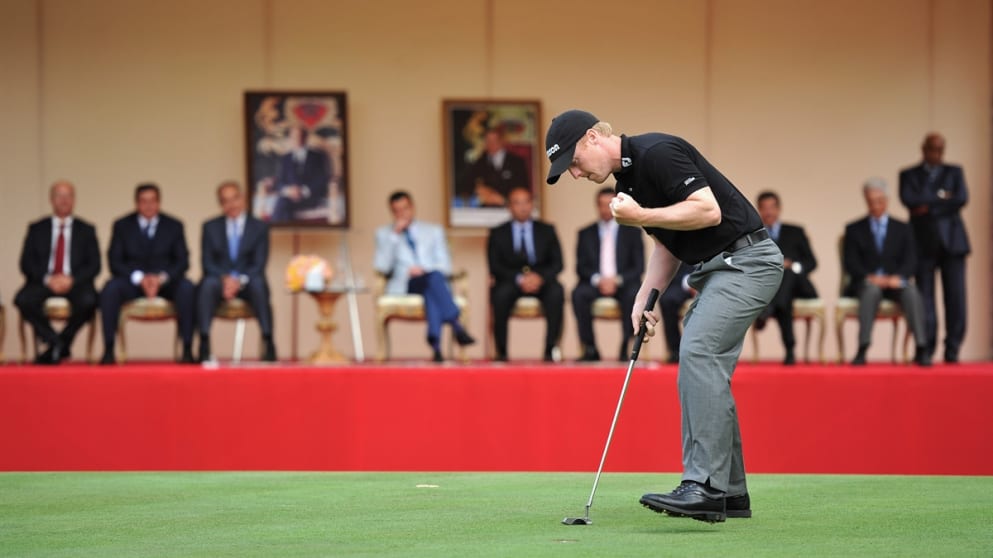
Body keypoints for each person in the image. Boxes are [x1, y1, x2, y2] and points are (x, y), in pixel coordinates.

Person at [545, 109, 783, 523]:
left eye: (574, 163)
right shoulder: (630, 180)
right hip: (719, 270)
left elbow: (706, 211)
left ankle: (705, 486)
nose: (576, 175)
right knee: (702, 362)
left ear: (591, 139)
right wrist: (644, 298)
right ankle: (729, 492)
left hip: (748, 261)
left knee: (698, 352)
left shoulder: (657, 151)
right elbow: (669, 245)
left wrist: (639, 216)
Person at [99, 183, 196, 364]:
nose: (149, 205)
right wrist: (140, 278)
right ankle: (108, 349)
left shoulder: (174, 225)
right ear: (136, 204)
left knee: (187, 288)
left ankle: (188, 348)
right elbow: (115, 261)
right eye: (144, 201)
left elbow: (182, 261)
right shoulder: (122, 226)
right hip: (133, 283)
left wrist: (160, 279)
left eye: (153, 201)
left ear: (159, 203)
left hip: (165, 283)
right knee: (110, 289)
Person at [373, 190, 475, 362]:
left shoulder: (433, 231)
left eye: (405, 209)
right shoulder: (385, 235)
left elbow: (445, 265)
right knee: (433, 281)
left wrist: (423, 269)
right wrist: (394, 237)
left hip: (431, 279)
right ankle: (456, 326)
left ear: (412, 207)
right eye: (397, 210)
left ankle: (435, 345)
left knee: (432, 283)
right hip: (406, 284)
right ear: (392, 212)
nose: (402, 214)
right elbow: (382, 266)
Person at [898, 133, 970, 363]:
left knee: (956, 298)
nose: (935, 154)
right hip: (922, 244)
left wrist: (927, 204)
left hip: (953, 244)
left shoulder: (954, 172)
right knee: (925, 298)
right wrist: (942, 198)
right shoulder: (909, 174)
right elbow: (910, 199)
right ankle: (926, 348)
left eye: (940, 149)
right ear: (923, 148)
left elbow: (961, 198)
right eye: (931, 148)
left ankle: (953, 348)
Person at [844, 177, 930, 367]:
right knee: (871, 291)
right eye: (871, 201)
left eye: (879, 201)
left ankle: (922, 347)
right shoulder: (854, 229)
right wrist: (870, 277)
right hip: (867, 282)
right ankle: (863, 347)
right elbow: (850, 263)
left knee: (912, 292)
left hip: (895, 282)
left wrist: (896, 278)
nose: (875, 206)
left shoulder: (904, 228)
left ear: (887, 200)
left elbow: (911, 260)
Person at [14, 180, 101, 364]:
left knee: (90, 301)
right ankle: (57, 342)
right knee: (23, 299)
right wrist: (48, 279)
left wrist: (71, 280)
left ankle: (60, 344)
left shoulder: (86, 229)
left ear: (74, 200)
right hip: (44, 282)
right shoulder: (37, 228)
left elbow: (94, 265)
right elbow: (26, 263)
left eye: (68, 195)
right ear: (51, 199)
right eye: (59, 195)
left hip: (75, 283)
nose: (64, 200)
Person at [197, 181, 277, 363]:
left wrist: (238, 281)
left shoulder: (259, 227)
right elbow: (207, 263)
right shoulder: (210, 227)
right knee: (207, 284)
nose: (231, 204)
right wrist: (225, 280)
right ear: (220, 204)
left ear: (243, 199)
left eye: (235, 198)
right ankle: (203, 341)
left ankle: (268, 340)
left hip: (248, 281)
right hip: (220, 281)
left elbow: (259, 263)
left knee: (259, 283)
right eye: (225, 201)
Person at [487, 186, 564, 362]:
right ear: (509, 207)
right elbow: (495, 266)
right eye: (517, 203)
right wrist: (520, 278)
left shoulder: (547, 230)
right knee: (499, 295)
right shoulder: (498, 233)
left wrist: (539, 277)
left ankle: (549, 350)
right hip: (511, 280)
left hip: (541, 280)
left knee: (557, 292)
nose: (522, 207)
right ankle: (502, 353)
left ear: (532, 205)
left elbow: (558, 264)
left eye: (526, 202)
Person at [572, 186, 644, 361]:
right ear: (597, 206)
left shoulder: (632, 232)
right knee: (578, 294)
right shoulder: (585, 233)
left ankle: (625, 347)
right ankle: (590, 348)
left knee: (632, 294)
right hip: (596, 283)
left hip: (623, 283)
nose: (605, 209)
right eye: (601, 205)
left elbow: (638, 268)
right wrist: (599, 280)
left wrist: (616, 281)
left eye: (609, 204)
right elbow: (581, 267)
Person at [753, 191, 819, 365]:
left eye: (772, 208)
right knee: (783, 296)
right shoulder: (753, 235)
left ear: (779, 209)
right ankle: (790, 348)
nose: (768, 212)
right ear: (758, 210)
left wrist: (792, 265)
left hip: (798, 286)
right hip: (768, 285)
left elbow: (811, 263)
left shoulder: (796, 231)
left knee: (786, 274)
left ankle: (768, 309)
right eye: (764, 208)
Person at [457, 127, 531, 207]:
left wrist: (504, 200)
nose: (491, 143)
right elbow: (464, 186)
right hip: (485, 210)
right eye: (488, 140)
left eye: (494, 140)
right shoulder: (478, 163)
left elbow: (524, 188)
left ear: (502, 141)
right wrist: (478, 190)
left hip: (511, 208)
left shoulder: (516, 162)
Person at [271, 126, 332, 222]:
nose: (297, 139)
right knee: (282, 203)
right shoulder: (285, 158)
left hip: (310, 197)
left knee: (283, 205)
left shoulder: (317, 156)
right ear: (290, 139)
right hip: (290, 197)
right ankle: (279, 233)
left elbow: (323, 179)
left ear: (305, 137)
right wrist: (289, 191)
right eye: (294, 136)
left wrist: (303, 191)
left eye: (300, 136)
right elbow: (279, 181)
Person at [659, 263, 694, 364]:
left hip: (713, 281)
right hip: (683, 283)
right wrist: (690, 282)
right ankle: (675, 351)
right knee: (666, 300)